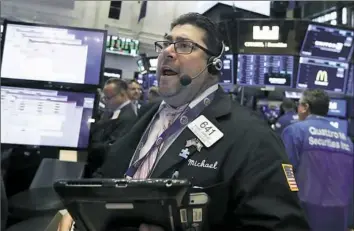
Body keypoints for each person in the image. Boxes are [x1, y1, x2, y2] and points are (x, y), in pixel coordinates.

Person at [58, 13, 309, 231]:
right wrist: (80, 209)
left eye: (184, 45)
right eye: (166, 43)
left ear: (214, 65)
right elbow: (109, 173)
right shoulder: (145, 117)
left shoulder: (253, 137)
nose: (168, 51)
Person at [281, 89, 353, 231]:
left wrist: (290, 199)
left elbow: (287, 171)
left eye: (299, 105)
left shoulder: (295, 131)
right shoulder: (346, 140)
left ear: (305, 107)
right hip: (339, 217)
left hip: (305, 214)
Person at [85, 78, 137, 177]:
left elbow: (113, 147)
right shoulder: (111, 112)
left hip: (106, 171)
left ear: (122, 94)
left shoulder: (128, 117)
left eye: (108, 98)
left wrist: (90, 146)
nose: (106, 101)